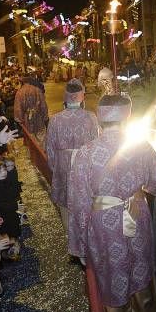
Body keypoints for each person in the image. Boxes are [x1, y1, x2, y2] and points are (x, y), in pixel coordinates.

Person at [67, 95, 156, 312]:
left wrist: (79, 246)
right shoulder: (141, 147)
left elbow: (79, 204)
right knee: (141, 271)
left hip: (104, 227)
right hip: (137, 216)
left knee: (113, 283)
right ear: (127, 117)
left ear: (100, 118)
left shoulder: (85, 154)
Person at [45, 79, 99, 241]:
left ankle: (71, 238)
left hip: (64, 168)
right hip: (85, 168)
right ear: (82, 97)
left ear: (66, 97)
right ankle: (87, 238)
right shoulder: (91, 117)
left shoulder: (55, 120)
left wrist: (57, 169)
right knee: (86, 204)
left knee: (66, 206)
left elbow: (50, 150)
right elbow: (97, 145)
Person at [13, 72, 49, 140]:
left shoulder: (19, 93)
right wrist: (46, 118)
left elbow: (18, 111)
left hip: (27, 123)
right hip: (39, 120)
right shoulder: (37, 90)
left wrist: (20, 121)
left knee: (31, 143)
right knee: (41, 141)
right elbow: (43, 106)